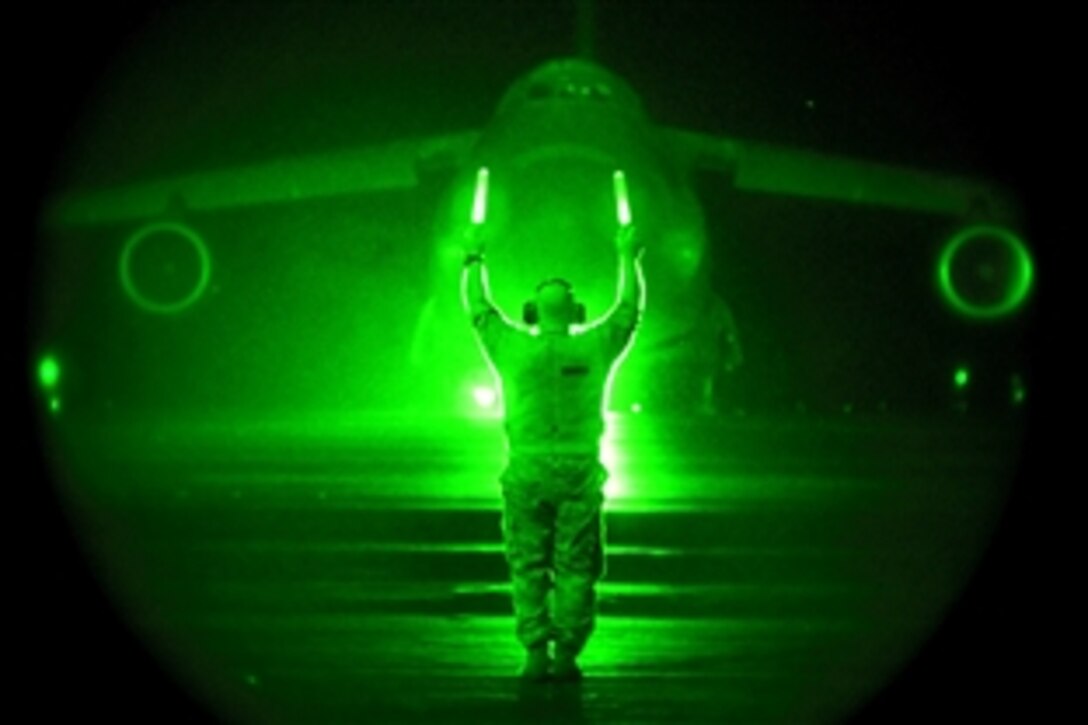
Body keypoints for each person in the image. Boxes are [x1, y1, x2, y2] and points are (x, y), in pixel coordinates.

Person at [461, 223, 645, 681]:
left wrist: (473, 259)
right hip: (580, 468)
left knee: (526, 564)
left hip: (527, 467)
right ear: (578, 310)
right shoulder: (596, 345)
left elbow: (478, 309)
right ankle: (566, 654)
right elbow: (629, 310)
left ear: (530, 311)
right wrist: (628, 257)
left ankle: (534, 653)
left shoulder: (512, 348)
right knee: (576, 566)